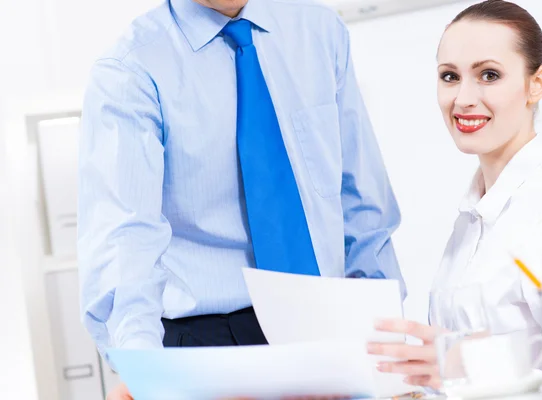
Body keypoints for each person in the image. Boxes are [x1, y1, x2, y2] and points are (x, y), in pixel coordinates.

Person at [78, 0, 405, 398]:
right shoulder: (131, 69)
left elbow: (361, 202)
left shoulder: (319, 30)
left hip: (330, 327)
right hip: (210, 347)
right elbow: (126, 240)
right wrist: (145, 372)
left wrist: (391, 345)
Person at [367, 0, 542, 390]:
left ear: (536, 83)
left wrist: (469, 364)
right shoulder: (474, 220)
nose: (463, 98)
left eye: (489, 75)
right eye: (449, 76)